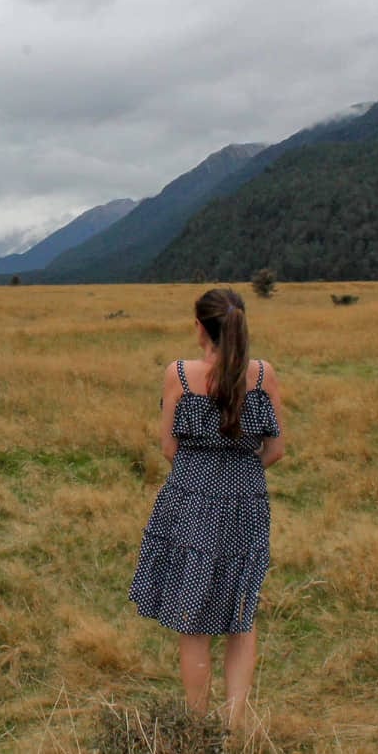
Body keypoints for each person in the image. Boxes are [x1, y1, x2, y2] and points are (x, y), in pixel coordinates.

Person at [128, 287, 286, 731]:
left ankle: (198, 727)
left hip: (190, 498)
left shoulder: (179, 374)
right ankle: (235, 725)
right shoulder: (263, 375)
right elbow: (275, 450)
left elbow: (168, 447)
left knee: (192, 615)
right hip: (247, 502)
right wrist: (239, 474)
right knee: (241, 611)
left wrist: (202, 474)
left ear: (201, 327)